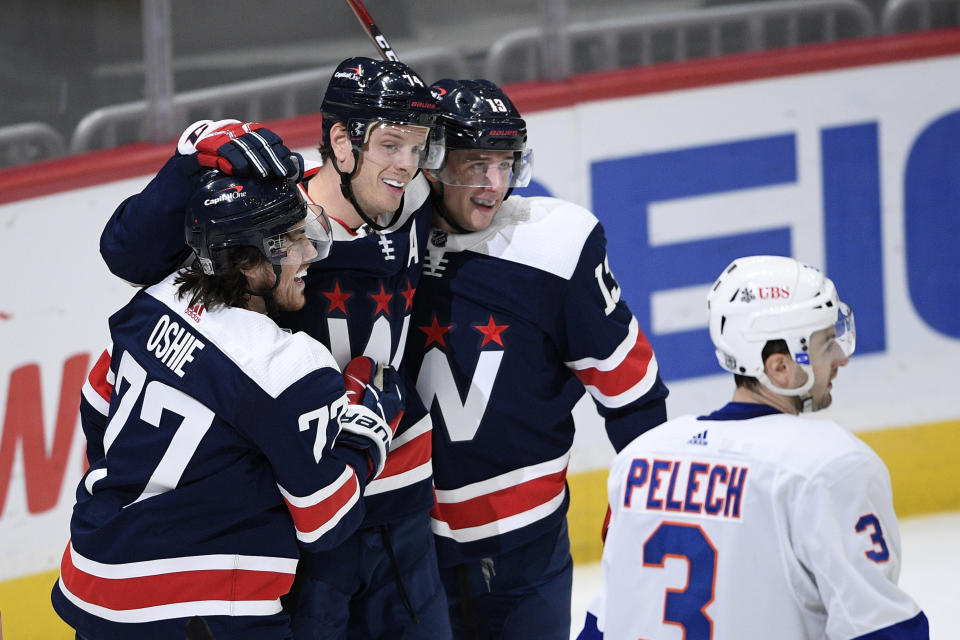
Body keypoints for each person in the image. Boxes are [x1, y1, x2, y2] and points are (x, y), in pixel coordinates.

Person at [96, 57, 453, 639]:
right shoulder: (263, 220)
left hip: (402, 500)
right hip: (306, 513)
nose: (407, 167)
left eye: (417, 149)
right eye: (392, 146)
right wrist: (188, 164)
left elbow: (477, 165)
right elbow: (127, 257)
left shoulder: (412, 200)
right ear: (342, 141)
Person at [52, 173, 403, 640]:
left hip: (94, 584)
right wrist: (366, 433)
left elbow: (97, 407)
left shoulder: (153, 303)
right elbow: (325, 520)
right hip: (200, 608)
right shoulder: (289, 364)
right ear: (244, 261)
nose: (309, 255)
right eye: (291, 241)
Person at [403, 78, 670, 639]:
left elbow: (633, 393)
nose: (492, 185)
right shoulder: (382, 240)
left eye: (505, 163)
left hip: (525, 547)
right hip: (406, 548)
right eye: (474, 163)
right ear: (430, 161)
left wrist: (650, 509)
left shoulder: (557, 246)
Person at [577, 255, 930, 640]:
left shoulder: (639, 460)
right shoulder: (829, 466)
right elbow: (881, 631)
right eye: (826, 344)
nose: (841, 357)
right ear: (779, 368)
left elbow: (602, 627)